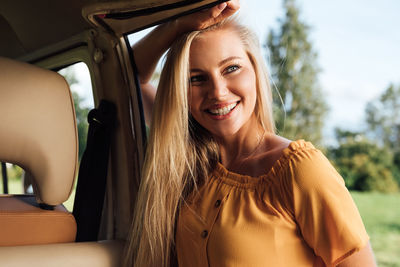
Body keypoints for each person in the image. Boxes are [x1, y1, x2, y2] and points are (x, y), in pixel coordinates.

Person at [125, 1, 376, 266]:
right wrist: (178, 25)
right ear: (181, 91)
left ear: (256, 71)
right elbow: (130, 77)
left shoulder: (300, 170)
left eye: (231, 68)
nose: (218, 92)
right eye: (196, 78)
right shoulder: (190, 157)